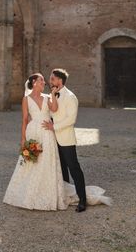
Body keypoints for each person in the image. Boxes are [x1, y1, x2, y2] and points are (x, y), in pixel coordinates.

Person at [3, 73, 67, 210]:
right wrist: (23, 139)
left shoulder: (47, 97)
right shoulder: (26, 99)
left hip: (47, 133)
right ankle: (26, 192)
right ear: (34, 82)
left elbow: (54, 109)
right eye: (42, 80)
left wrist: (54, 95)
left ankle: (47, 194)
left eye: (44, 81)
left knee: (47, 161)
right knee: (31, 161)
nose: (45, 83)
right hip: (33, 132)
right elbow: (25, 119)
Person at [42, 68, 88, 212]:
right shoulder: (53, 95)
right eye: (50, 79)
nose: (50, 81)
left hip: (66, 139)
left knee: (74, 169)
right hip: (52, 138)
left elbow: (71, 120)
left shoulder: (70, 97)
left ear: (60, 81)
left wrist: (53, 127)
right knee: (60, 169)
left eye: (52, 79)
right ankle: (65, 196)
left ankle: (83, 200)